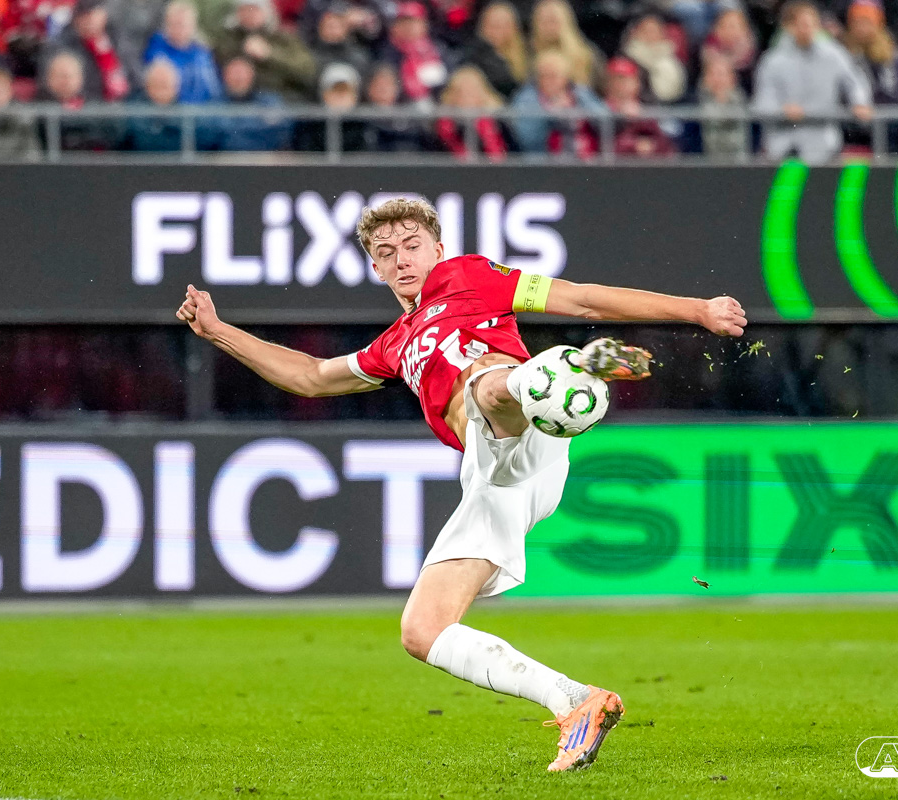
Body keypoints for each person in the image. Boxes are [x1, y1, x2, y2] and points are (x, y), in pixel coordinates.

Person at [175, 196, 747, 773]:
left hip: (516, 427)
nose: (401, 259)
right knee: (422, 630)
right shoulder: (393, 345)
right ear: (375, 268)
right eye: (386, 252)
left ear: (438, 249)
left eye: (412, 245)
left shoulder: (469, 276)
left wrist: (696, 309)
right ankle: (574, 700)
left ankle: (553, 376)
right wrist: (219, 332)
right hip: (496, 480)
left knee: (485, 386)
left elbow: (579, 298)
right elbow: (311, 376)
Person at [752, 0, 873, 165]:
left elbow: (855, 81)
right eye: (802, 24)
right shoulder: (772, 61)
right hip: (784, 147)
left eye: (812, 24)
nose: (808, 29)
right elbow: (762, 103)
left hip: (824, 145)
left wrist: (860, 102)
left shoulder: (833, 54)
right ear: (788, 26)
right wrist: (782, 111)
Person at [214, 0, 318, 102]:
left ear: (266, 12)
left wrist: (269, 54)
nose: (249, 15)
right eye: (245, 10)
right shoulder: (227, 40)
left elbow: (307, 71)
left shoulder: (283, 39)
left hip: (281, 98)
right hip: (235, 99)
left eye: (254, 10)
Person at [510, 50, 603, 157]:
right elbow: (526, 138)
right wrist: (550, 114)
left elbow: (606, 122)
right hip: (544, 160)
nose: (548, 81)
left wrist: (579, 110)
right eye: (543, 76)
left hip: (587, 157)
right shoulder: (526, 98)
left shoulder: (581, 93)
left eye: (553, 76)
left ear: (566, 77)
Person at [198, 55, 293, 150]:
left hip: (263, 156)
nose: (239, 78)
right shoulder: (214, 104)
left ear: (252, 75)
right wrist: (259, 123)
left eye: (243, 73)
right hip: (224, 157)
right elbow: (207, 137)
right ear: (224, 76)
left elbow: (283, 130)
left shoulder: (269, 101)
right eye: (234, 73)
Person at [47, 0, 134, 101]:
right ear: (75, 20)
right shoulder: (63, 45)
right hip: (88, 104)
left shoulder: (117, 38)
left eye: (93, 14)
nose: (89, 21)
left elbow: (134, 74)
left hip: (125, 102)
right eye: (84, 17)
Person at [142, 1, 223, 103]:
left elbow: (211, 88)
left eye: (182, 25)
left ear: (193, 26)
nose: (178, 29)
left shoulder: (202, 53)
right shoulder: (156, 47)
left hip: (197, 108)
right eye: (174, 24)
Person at [435, 65, 515, 160]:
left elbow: (514, 153)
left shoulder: (499, 121)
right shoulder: (443, 126)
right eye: (460, 92)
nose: (467, 97)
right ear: (452, 95)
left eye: (472, 91)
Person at [603, 55, 677, 157]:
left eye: (625, 79)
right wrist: (633, 144)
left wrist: (640, 120)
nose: (619, 85)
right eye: (615, 79)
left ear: (637, 83)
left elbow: (666, 146)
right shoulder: (599, 109)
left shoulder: (648, 107)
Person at [379, 1, 448, 103]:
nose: (409, 27)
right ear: (395, 26)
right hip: (397, 106)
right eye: (403, 22)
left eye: (414, 22)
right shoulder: (386, 52)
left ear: (424, 25)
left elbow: (444, 81)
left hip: (434, 104)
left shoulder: (438, 51)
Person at [461, 1, 528, 100]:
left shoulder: (526, 55)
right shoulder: (471, 56)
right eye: (492, 25)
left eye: (503, 25)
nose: (497, 31)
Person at [294, 61, 368, 151]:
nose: (340, 97)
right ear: (323, 94)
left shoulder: (367, 129)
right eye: (335, 90)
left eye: (345, 91)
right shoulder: (308, 128)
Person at [529, 0, 603, 90]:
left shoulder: (586, 55)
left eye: (553, 20)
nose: (548, 26)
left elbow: (600, 86)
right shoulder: (528, 54)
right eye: (543, 21)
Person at [360, 62, 429, 151]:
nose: (383, 89)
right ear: (369, 88)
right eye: (378, 84)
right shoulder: (359, 118)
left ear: (397, 88)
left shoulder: (409, 118)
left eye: (388, 84)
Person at [620, 12, 687, 103]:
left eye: (654, 31)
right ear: (635, 33)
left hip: (672, 105)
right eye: (645, 31)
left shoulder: (673, 60)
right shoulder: (626, 59)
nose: (650, 35)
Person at [842, 0, 898, 101]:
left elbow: (896, 89)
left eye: (867, 22)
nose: (862, 28)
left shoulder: (892, 56)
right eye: (857, 22)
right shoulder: (843, 54)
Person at [124, 58, 186, 151]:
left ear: (176, 88)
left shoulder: (184, 114)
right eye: (156, 85)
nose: (160, 92)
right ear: (147, 86)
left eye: (164, 86)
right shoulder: (133, 110)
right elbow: (138, 142)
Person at [698, 54, 748, 160]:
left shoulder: (741, 101)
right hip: (707, 162)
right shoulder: (697, 103)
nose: (717, 79)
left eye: (721, 74)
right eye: (713, 74)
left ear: (732, 78)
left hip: (737, 161)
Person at [308, 2, 373, 77]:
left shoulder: (358, 58)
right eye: (329, 26)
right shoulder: (309, 55)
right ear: (320, 29)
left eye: (337, 26)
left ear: (346, 29)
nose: (332, 31)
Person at [700, 8, 757, 93]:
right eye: (723, 25)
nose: (729, 31)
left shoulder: (754, 60)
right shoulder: (706, 52)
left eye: (733, 26)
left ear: (745, 30)